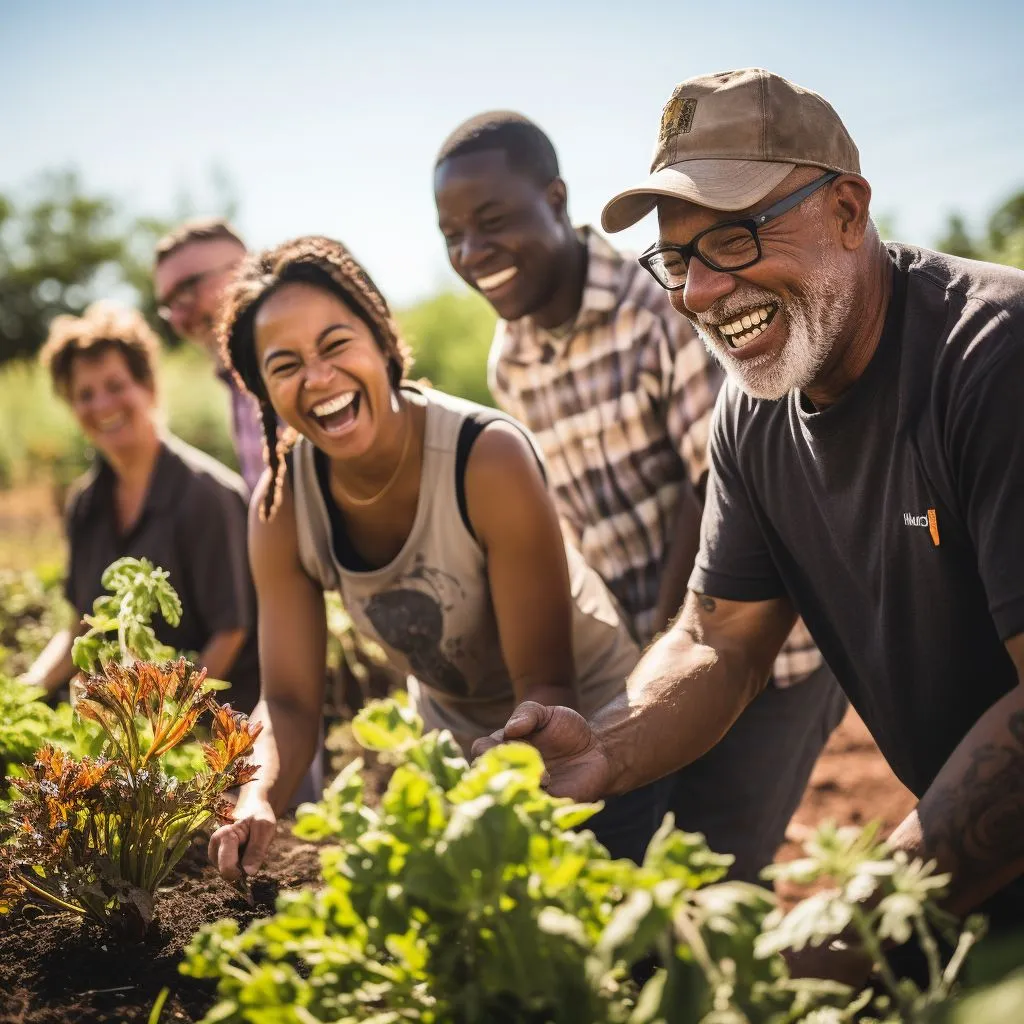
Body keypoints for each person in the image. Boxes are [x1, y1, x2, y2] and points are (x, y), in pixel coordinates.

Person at [476, 67, 1024, 976]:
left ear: (848, 209)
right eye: (679, 260)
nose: (697, 292)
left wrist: (854, 929)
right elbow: (721, 638)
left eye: (732, 238)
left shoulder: (993, 358)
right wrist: (602, 748)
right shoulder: (753, 412)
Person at [434, 111, 847, 882]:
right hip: (648, 662)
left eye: (491, 222)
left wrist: (648, 672)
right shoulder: (511, 359)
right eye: (451, 235)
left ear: (555, 201)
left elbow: (714, 491)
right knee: (636, 869)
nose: (472, 252)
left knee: (709, 871)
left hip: (761, 649)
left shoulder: (669, 302)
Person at [207, 234, 665, 880]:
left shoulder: (487, 458)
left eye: (336, 345)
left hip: (589, 740)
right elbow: (287, 701)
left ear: (382, 337)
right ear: (263, 391)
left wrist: (493, 807)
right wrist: (257, 797)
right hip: (455, 755)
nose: (317, 378)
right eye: (284, 366)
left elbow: (547, 688)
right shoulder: (281, 508)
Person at [22, 301, 260, 714]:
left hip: (218, 727)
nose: (102, 406)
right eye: (84, 394)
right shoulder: (85, 503)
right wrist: (24, 694)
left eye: (115, 386)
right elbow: (82, 625)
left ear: (147, 386)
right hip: (131, 722)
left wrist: (155, 723)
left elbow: (231, 632)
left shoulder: (207, 495)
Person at [153, 218, 265, 494]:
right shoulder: (238, 381)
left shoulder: (305, 365)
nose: (178, 317)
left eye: (187, 290)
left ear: (242, 269)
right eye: (170, 304)